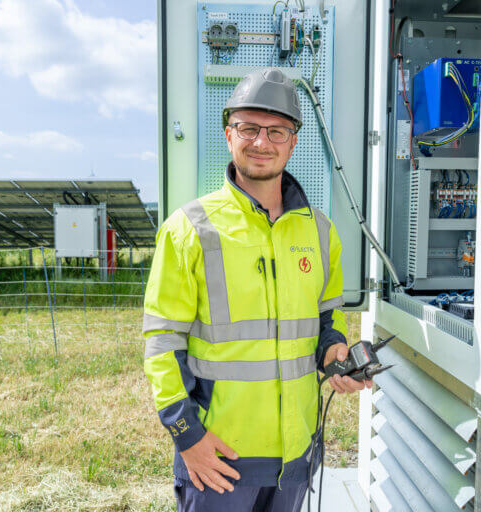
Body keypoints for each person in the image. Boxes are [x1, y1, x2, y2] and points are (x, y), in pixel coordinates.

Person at [143, 67, 370, 512]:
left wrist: (334, 350)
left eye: (276, 131)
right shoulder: (189, 229)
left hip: (298, 453)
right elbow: (161, 343)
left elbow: (328, 318)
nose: (261, 142)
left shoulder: (321, 232)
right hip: (221, 456)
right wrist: (187, 437)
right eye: (248, 128)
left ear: (294, 142)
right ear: (229, 134)